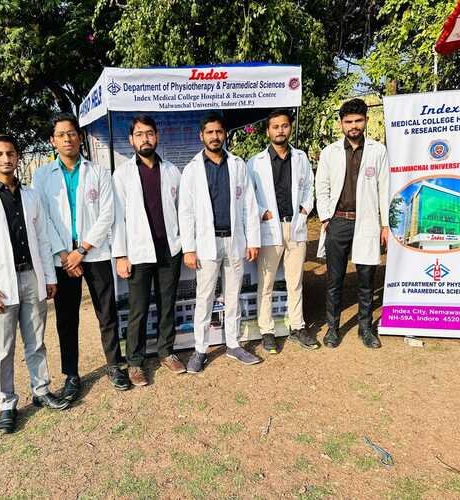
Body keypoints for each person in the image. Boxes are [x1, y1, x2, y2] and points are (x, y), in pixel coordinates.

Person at [0, 133, 69, 434]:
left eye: (10, 153)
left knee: (36, 340)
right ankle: (7, 404)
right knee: (3, 347)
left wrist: (49, 277)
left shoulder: (31, 196)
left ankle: (41, 390)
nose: (6, 159)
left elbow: (43, 239)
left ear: (17, 157)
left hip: (31, 276)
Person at [32, 113, 129, 401]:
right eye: (61, 135)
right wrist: (65, 254)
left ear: (80, 137)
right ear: (52, 141)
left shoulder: (98, 171)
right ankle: (71, 374)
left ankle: (114, 365)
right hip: (62, 258)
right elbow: (42, 219)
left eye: (72, 133)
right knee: (66, 318)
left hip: (94, 253)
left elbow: (107, 214)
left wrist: (82, 250)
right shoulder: (42, 176)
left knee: (106, 313)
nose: (67, 139)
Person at [179, 112, 261, 373]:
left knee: (233, 296)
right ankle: (200, 349)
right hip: (206, 244)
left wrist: (253, 240)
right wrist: (189, 249)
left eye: (219, 131)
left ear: (225, 134)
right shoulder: (192, 170)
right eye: (210, 132)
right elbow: (186, 212)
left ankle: (234, 344)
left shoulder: (237, 165)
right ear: (201, 136)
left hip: (234, 241)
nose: (215, 136)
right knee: (204, 298)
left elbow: (249, 205)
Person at [112, 114, 185, 385]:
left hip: (169, 250)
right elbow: (117, 218)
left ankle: (166, 352)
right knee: (138, 309)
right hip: (138, 252)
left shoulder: (172, 171)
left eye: (149, 133)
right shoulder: (122, 175)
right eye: (139, 134)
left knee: (167, 305)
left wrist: (184, 244)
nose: (145, 139)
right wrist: (121, 254)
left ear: (157, 137)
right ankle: (135, 362)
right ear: (131, 140)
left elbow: (182, 211)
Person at [315, 98, 389, 349]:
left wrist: (385, 225)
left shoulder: (377, 151)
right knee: (334, 280)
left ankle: (365, 329)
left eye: (358, 121)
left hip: (367, 223)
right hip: (338, 222)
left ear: (366, 121)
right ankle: (332, 328)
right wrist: (326, 218)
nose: (353, 126)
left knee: (366, 280)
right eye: (348, 121)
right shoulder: (330, 152)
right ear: (341, 124)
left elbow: (384, 189)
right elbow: (322, 187)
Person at [248, 109, 317, 354]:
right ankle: (266, 331)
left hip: (295, 225)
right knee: (266, 283)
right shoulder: (255, 162)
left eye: (284, 126)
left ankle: (298, 326)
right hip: (270, 227)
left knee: (295, 281)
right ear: (268, 131)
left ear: (289, 128)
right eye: (275, 126)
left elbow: (309, 186)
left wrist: (305, 209)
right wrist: (263, 213)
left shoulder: (300, 157)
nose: (280, 130)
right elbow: (249, 195)